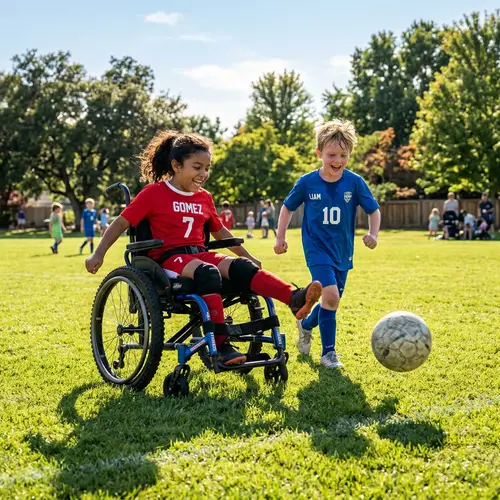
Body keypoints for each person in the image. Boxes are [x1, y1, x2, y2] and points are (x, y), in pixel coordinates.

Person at [84, 131, 322, 366]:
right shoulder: (154, 193)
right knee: (208, 272)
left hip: (199, 254)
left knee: (243, 268)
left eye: (207, 168)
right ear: (176, 165)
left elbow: (220, 232)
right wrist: (99, 253)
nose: (203, 174)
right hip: (167, 259)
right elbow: (121, 222)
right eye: (197, 167)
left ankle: (294, 298)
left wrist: (248, 256)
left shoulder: (204, 197)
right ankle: (220, 344)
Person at [274, 119, 380, 369]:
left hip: (343, 251)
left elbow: (373, 210)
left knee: (330, 302)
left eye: (343, 155)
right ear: (319, 153)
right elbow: (287, 209)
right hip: (316, 249)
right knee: (330, 296)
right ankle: (329, 354)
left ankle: (306, 324)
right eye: (331, 154)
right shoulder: (307, 182)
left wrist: (373, 234)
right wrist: (280, 237)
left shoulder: (354, 182)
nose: (338, 160)